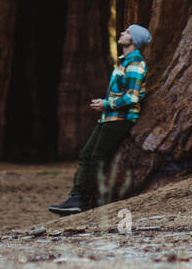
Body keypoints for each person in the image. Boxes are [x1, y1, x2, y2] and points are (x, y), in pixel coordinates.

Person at [49, 24, 151, 215]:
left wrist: (106, 104)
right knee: (86, 154)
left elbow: (132, 97)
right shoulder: (123, 62)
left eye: (128, 32)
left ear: (134, 40)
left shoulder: (135, 64)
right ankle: (76, 198)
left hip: (122, 118)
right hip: (109, 118)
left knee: (97, 157)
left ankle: (88, 200)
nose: (122, 33)